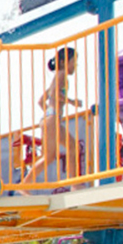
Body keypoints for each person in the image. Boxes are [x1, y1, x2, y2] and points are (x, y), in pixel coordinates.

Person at [23, 47, 84, 187]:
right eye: (73, 62)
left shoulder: (56, 78)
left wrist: (50, 114)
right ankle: (25, 185)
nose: (75, 66)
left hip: (51, 118)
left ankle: (74, 183)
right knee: (49, 156)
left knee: (72, 147)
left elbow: (41, 100)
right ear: (63, 62)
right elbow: (56, 95)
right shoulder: (61, 75)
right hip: (52, 118)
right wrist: (72, 102)